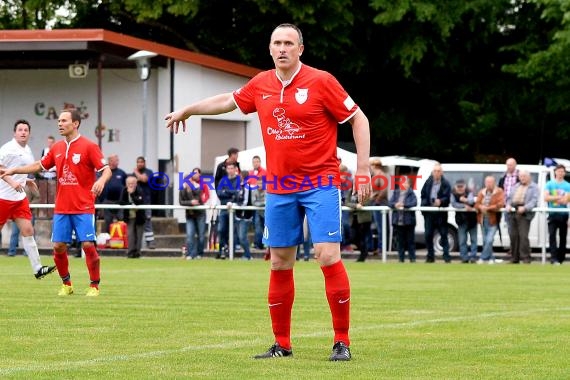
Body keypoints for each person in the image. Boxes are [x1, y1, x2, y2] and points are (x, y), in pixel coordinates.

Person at [164, 23, 371, 361]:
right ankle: (282, 344)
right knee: (278, 262)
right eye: (277, 43)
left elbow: (358, 119)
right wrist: (188, 109)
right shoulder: (261, 84)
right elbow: (227, 102)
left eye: (289, 43)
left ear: (300, 49)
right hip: (280, 187)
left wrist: (362, 170)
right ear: (270, 48)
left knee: (328, 255)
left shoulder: (322, 81)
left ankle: (341, 341)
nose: (282, 48)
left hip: (321, 182)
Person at [0, 109, 111, 295]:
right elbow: (39, 165)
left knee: (87, 245)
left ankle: (94, 285)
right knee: (59, 246)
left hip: (83, 206)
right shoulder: (57, 148)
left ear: (75, 124)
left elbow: (106, 169)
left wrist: (100, 180)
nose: (59, 124)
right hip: (62, 207)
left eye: (64, 120)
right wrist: (15, 171)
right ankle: (67, 284)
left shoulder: (89, 146)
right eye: (58, 120)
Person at [0, 119, 55, 279]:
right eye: (20, 130)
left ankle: (38, 269)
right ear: (14, 133)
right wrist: (12, 181)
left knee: (28, 230)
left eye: (25, 130)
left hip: (19, 199)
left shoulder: (28, 150)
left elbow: (22, 170)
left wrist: (27, 181)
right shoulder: (8, 149)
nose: (23, 132)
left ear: (29, 133)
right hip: (3, 198)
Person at [420, 163, 452, 263]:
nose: (436, 173)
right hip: (429, 213)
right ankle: (430, 256)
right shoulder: (428, 182)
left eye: (438, 171)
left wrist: (441, 202)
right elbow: (423, 195)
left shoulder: (446, 183)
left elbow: (447, 197)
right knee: (428, 234)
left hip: (441, 213)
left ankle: (446, 256)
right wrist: (426, 205)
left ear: (441, 172)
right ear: (432, 172)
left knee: (443, 234)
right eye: (435, 171)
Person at [506, 170, 538, 264]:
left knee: (523, 236)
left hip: (524, 213)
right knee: (513, 235)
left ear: (529, 177)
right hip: (513, 212)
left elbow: (534, 201)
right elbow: (509, 198)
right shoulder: (516, 186)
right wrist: (508, 205)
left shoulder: (534, 187)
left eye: (524, 176)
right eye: (521, 176)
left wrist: (525, 207)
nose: (522, 178)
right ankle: (514, 258)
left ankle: (526, 258)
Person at [179, 167, 209, 260]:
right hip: (190, 215)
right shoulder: (182, 190)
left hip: (200, 214)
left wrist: (190, 194)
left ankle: (200, 253)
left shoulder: (198, 188)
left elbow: (198, 201)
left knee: (201, 236)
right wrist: (190, 202)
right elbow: (181, 202)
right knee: (190, 235)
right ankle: (191, 254)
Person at [8, 174, 41, 257]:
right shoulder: (17, 185)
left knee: (29, 233)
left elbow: (37, 198)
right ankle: (11, 251)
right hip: (17, 213)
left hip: (28, 213)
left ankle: (28, 252)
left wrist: (28, 206)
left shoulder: (32, 188)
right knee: (14, 233)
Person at [544, 164, 570, 264]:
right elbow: (545, 197)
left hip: (563, 214)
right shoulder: (549, 184)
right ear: (555, 172)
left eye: (562, 171)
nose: (560, 173)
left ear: (564, 173)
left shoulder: (567, 185)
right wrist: (559, 198)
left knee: (563, 237)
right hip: (553, 213)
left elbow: (566, 201)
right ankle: (553, 258)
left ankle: (561, 258)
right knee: (552, 236)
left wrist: (553, 197)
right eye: (559, 171)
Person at [475, 176, 504, 264]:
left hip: (493, 219)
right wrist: (481, 207)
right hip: (483, 219)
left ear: (494, 183)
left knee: (489, 239)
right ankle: (491, 258)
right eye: (487, 182)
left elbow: (500, 204)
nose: (488, 184)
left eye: (490, 182)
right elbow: (476, 204)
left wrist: (488, 208)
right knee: (485, 240)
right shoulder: (482, 192)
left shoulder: (499, 192)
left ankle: (483, 258)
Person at [389, 176, 417, 263]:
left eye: (405, 182)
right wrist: (395, 205)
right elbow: (389, 202)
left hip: (409, 221)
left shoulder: (411, 193)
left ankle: (412, 259)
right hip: (398, 221)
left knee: (410, 242)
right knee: (400, 242)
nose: (403, 184)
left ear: (409, 184)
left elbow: (414, 203)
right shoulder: (396, 192)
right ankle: (401, 259)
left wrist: (403, 205)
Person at [215, 162, 240, 259]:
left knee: (233, 231)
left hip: (234, 209)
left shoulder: (238, 179)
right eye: (228, 168)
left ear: (235, 169)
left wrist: (226, 191)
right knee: (221, 230)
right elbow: (219, 193)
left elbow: (238, 193)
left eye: (231, 168)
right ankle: (222, 250)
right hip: (224, 209)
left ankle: (231, 252)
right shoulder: (223, 180)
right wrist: (231, 194)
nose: (230, 170)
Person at [98, 154, 127, 233]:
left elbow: (126, 186)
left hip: (119, 202)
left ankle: (121, 240)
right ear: (109, 161)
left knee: (121, 221)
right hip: (107, 201)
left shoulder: (122, 173)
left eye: (116, 160)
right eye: (113, 160)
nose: (115, 162)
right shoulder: (104, 173)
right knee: (108, 222)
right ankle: (108, 239)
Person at [451, 179, 478, 263]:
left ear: (465, 186)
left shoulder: (469, 192)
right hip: (461, 221)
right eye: (458, 187)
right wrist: (464, 205)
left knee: (474, 240)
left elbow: (471, 201)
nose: (460, 188)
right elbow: (454, 204)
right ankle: (464, 258)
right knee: (462, 240)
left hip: (472, 220)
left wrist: (465, 201)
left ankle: (473, 257)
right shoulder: (453, 194)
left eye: (461, 186)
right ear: (455, 187)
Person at [119, 175, 146, 258]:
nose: (130, 185)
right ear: (126, 184)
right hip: (129, 217)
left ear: (136, 183)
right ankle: (130, 252)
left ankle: (137, 253)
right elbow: (121, 202)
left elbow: (139, 202)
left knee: (139, 235)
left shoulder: (140, 190)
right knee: (130, 235)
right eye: (129, 183)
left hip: (139, 217)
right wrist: (130, 204)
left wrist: (132, 194)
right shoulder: (124, 190)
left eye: (132, 183)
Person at [132, 156, 156, 249]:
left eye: (141, 162)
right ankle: (135, 243)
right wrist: (138, 177)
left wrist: (136, 173)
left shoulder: (149, 172)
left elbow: (144, 179)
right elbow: (132, 182)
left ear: (145, 163)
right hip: (135, 202)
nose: (140, 164)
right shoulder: (134, 174)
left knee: (147, 221)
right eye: (138, 162)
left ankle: (150, 242)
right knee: (134, 222)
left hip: (146, 202)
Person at [498, 157, 519, 259]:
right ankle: (513, 249)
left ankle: (516, 250)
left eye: (511, 165)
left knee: (518, 231)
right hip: (506, 208)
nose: (509, 167)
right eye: (508, 165)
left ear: (515, 165)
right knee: (510, 230)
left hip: (517, 207)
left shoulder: (520, 176)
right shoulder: (503, 177)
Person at [370, 158, 389, 254]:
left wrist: (377, 200)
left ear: (374, 165)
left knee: (380, 227)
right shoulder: (376, 175)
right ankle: (377, 246)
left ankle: (381, 247)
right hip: (375, 203)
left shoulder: (381, 175)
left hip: (379, 203)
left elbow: (384, 190)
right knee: (376, 227)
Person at [347, 192, 373, 262]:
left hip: (364, 219)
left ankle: (363, 255)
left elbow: (367, 202)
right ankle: (364, 252)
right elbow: (346, 203)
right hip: (353, 219)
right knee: (353, 238)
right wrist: (355, 205)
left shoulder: (366, 190)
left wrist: (359, 205)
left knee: (362, 238)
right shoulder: (351, 191)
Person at [249, 155, 267, 249]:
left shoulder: (265, 172)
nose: (255, 163)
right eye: (254, 162)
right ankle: (257, 244)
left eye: (257, 162)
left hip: (263, 206)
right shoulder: (251, 173)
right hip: (255, 203)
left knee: (265, 226)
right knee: (257, 226)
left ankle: (265, 244)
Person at [235, 170, 253, 260]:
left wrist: (238, 206)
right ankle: (247, 254)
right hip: (239, 215)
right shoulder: (240, 186)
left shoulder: (246, 187)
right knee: (240, 236)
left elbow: (245, 201)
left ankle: (248, 255)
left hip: (245, 215)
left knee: (242, 236)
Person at [251, 176, 266, 250]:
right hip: (257, 212)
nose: (259, 185)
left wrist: (259, 203)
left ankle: (267, 245)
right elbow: (253, 202)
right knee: (258, 229)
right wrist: (262, 203)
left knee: (266, 229)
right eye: (258, 183)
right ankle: (258, 245)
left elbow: (267, 202)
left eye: (261, 183)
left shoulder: (267, 191)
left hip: (266, 213)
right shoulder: (254, 192)